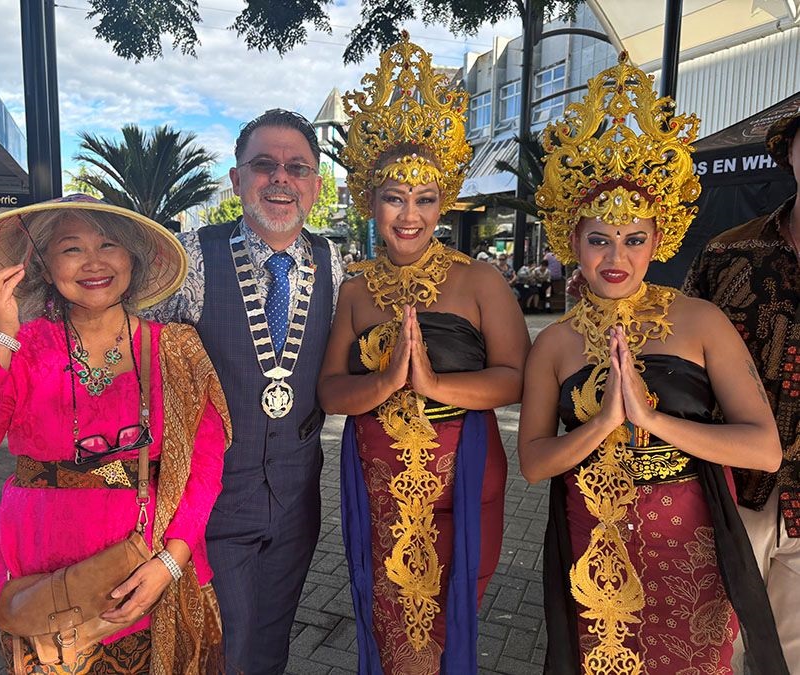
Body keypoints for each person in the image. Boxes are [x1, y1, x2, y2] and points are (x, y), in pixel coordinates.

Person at [517, 55, 788, 674]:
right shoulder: (555, 343)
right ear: (572, 240)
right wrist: (603, 422)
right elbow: (533, 463)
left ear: (657, 240)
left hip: (688, 535)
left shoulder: (699, 321)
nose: (617, 257)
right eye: (599, 239)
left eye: (634, 239)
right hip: (591, 535)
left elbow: (763, 449)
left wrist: (652, 419)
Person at [0, 194, 229, 673]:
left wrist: (169, 563)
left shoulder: (177, 349)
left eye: (109, 245)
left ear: (133, 259)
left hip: (152, 571)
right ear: (43, 264)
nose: (94, 263)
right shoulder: (20, 346)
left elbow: (204, 469)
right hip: (46, 583)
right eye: (71, 248)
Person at [318, 33, 530, 673]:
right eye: (393, 198)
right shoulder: (355, 289)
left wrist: (434, 384)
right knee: (390, 625)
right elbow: (331, 391)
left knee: (448, 622)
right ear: (369, 201)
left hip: (463, 483)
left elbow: (516, 378)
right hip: (380, 487)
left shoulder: (480, 281)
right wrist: (385, 382)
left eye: (425, 199)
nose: (409, 216)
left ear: (444, 203)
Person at [145, 109, 343, 674]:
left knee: (270, 645)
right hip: (212, 502)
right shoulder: (191, 260)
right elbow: (127, 348)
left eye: (298, 168)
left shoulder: (332, 262)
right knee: (222, 647)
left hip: (298, 496)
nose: (281, 179)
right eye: (264, 165)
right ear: (236, 180)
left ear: (314, 185)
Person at [683, 108, 800, 669]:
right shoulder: (728, 253)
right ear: (789, 151)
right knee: (711, 647)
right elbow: (674, 349)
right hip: (731, 489)